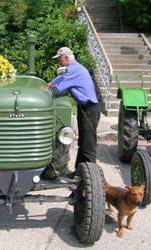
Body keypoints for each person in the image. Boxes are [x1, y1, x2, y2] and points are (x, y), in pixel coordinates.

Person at [48, 47, 101, 175]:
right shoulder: (73, 69)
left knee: (88, 144)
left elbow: (57, 88)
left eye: (60, 59)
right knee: (82, 142)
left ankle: (91, 175)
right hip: (85, 108)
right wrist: (48, 85)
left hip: (90, 109)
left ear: (66, 57)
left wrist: (45, 91)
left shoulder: (74, 70)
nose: (59, 63)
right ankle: (79, 172)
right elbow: (58, 80)